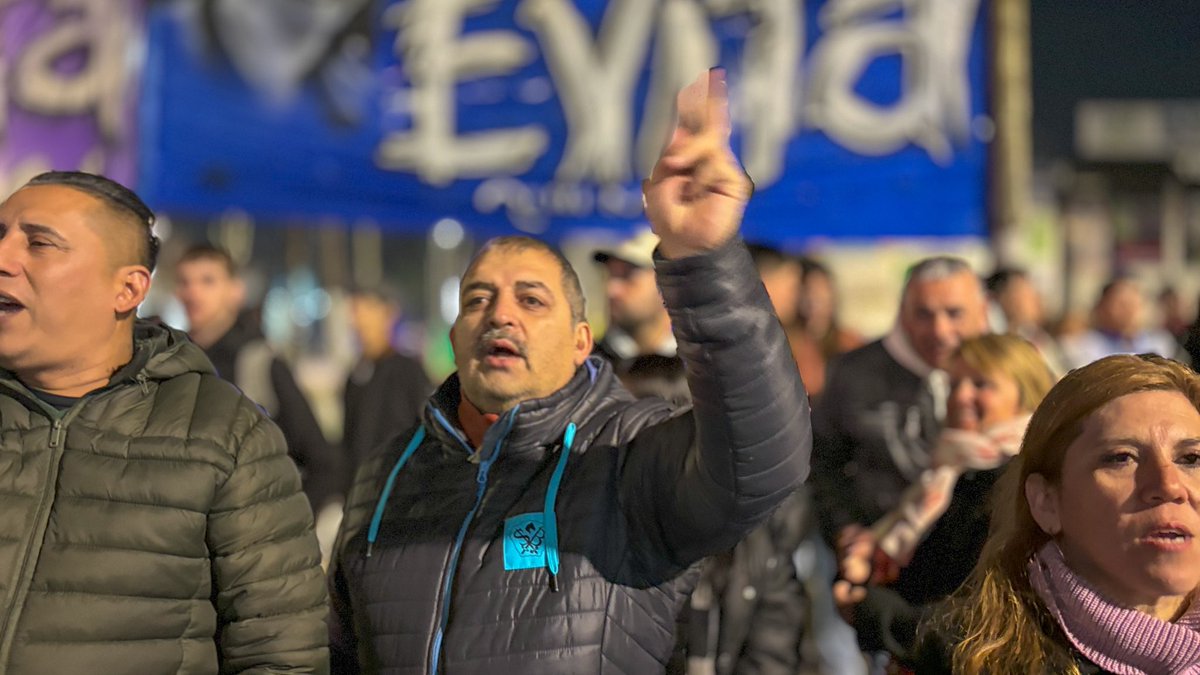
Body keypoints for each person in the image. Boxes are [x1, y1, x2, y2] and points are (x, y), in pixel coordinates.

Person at [327, 69, 811, 674]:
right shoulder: (390, 470)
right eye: (477, 299)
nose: (500, 314)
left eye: (531, 300)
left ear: (583, 342)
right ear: (454, 335)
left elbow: (762, 461)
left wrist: (703, 261)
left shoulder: (627, 455)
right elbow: (339, 649)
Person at [0, 171, 328, 673]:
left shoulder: (227, 431)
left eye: (39, 243)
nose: (4, 258)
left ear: (128, 289)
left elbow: (282, 654)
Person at [916, 353, 1200, 674]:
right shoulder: (971, 658)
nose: (1169, 485)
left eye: (1191, 458)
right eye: (1122, 458)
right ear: (1046, 502)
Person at [832, 335, 1054, 664]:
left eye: (981, 384)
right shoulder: (948, 473)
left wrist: (876, 613)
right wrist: (866, 563)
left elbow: (983, 614)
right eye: (953, 385)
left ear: (1026, 394)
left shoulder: (1021, 483)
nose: (960, 396)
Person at [811, 256, 989, 544]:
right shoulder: (854, 373)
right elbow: (821, 463)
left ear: (982, 311)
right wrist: (846, 531)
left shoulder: (1013, 371)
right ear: (903, 314)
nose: (940, 330)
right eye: (923, 314)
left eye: (954, 313)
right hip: (879, 550)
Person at [174, 244, 341, 510]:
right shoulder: (174, 362)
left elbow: (323, 463)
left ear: (235, 291)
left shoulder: (260, 362)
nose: (193, 293)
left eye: (208, 281)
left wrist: (286, 523)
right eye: (185, 282)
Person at [342, 284, 431, 491]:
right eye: (356, 310)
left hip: (398, 489)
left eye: (368, 309)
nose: (360, 320)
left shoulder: (407, 371)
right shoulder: (356, 375)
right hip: (360, 490)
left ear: (389, 313)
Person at [591, 227, 678, 373]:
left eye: (627, 276)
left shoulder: (703, 363)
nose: (611, 289)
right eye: (610, 275)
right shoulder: (589, 366)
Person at [1059, 276, 1180, 369]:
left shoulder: (1161, 344)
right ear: (1102, 307)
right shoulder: (1080, 347)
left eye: (1134, 304)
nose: (1129, 310)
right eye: (1122, 304)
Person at [796, 257, 864, 399]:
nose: (814, 300)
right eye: (808, 290)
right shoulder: (789, 343)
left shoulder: (849, 342)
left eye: (821, 291)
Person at [985, 267, 1065, 375]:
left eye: (1031, 292)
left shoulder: (1038, 339)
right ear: (1001, 298)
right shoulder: (990, 344)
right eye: (1023, 294)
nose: (1034, 299)